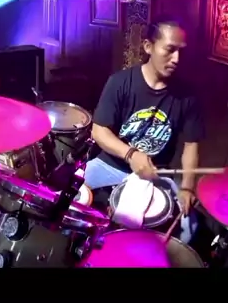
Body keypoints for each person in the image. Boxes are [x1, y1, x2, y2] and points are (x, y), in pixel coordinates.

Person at [84, 17, 205, 244]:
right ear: (149, 46)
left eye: (181, 51)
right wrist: (131, 154)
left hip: (157, 172)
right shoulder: (120, 82)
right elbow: (99, 132)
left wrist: (188, 186)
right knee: (72, 195)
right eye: (170, 50)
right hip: (111, 164)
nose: (177, 59)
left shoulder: (188, 97)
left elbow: (191, 145)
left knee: (189, 227)